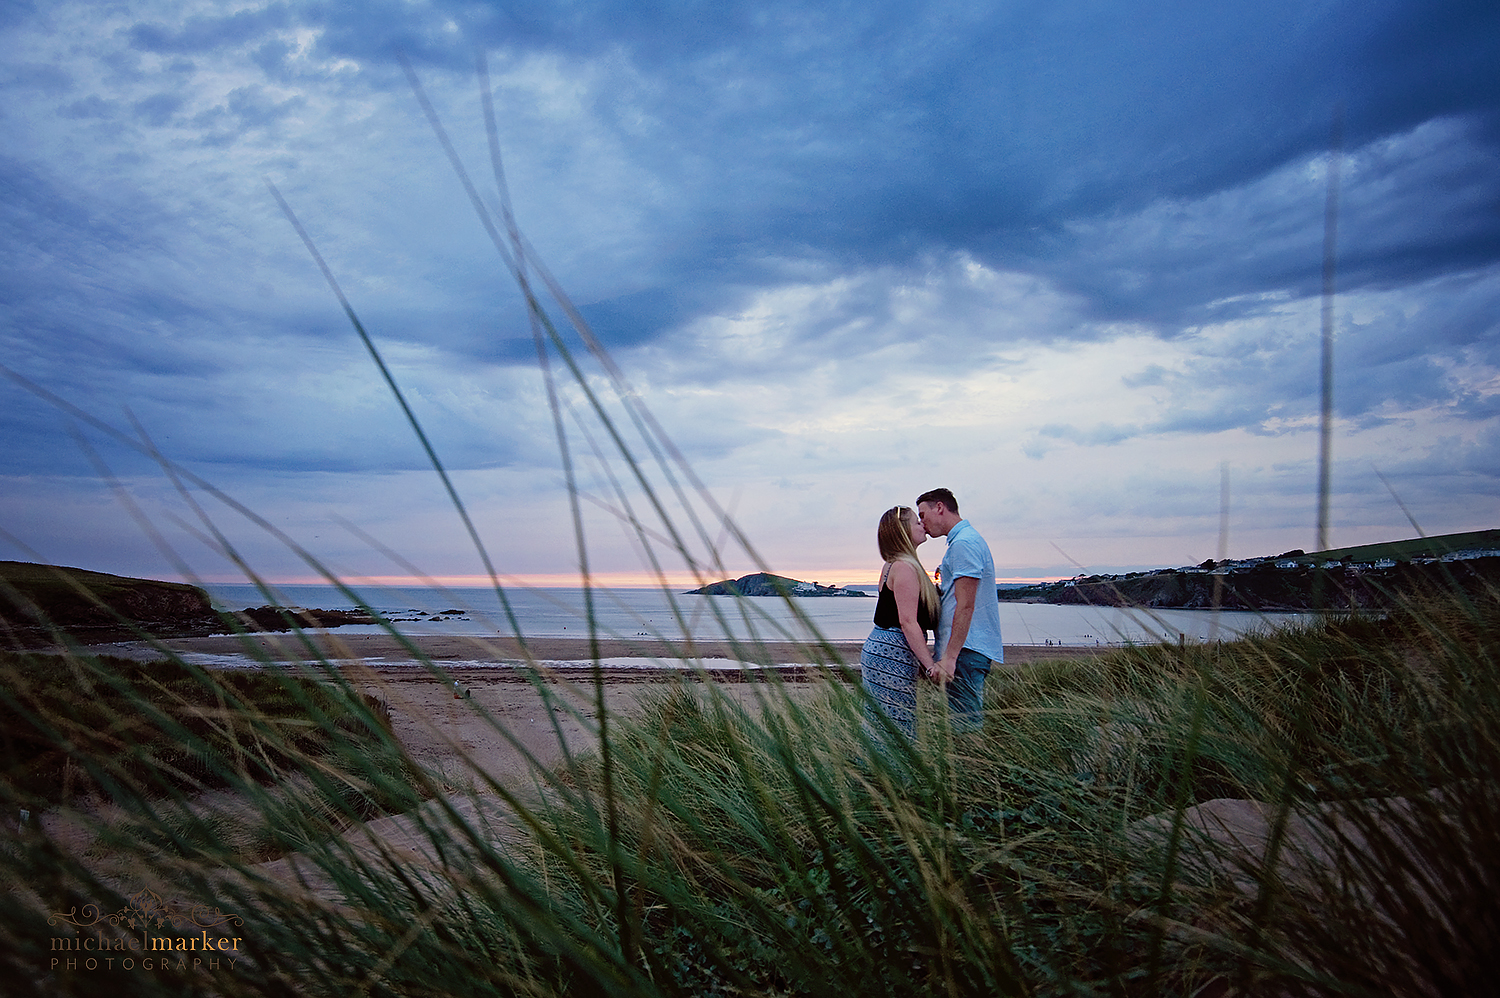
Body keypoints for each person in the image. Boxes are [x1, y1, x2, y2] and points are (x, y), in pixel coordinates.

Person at [915, 488, 1003, 732]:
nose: (922, 522)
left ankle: (973, 769)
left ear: (940, 508)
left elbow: (966, 605)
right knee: (961, 723)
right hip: (964, 649)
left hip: (966, 650)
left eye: (923, 514)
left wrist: (950, 657)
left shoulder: (964, 544)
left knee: (965, 727)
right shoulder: (962, 543)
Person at [858, 506, 942, 740]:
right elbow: (907, 622)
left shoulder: (893, 565)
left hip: (882, 646)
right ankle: (893, 774)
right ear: (903, 531)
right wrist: (929, 665)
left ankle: (876, 772)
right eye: (917, 522)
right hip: (891, 651)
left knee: (883, 722)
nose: (922, 525)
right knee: (897, 723)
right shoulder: (904, 567)